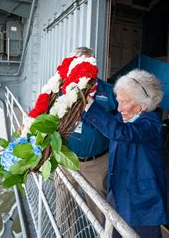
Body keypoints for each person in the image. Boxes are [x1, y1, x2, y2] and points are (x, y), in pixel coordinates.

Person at [82, 69, 167, 237]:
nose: (119, 108)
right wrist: (77, 110)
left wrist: (90, 106)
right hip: (119, 192)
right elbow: (104, 125)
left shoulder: (151, 124)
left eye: (124, 102)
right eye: (118, 101)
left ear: (143, 105)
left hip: (141, 202)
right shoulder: (124, 118)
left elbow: (121, 132)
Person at [54, 46, 117, 234]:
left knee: (99, 209)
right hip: (66, 160)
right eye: (77, 63)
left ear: (94, 65)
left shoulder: (109, 92)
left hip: (97, 164)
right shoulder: (61, 91)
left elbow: (119, 126)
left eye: (86, 63)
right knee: (63, 204)